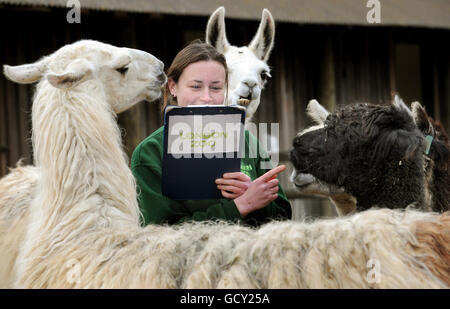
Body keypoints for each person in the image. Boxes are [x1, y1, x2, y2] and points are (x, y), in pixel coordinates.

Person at [131, 40, 292, 226]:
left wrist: (256, 197)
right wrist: (240, 205)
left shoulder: (246, 140)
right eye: (196, 86)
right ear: (172, 87)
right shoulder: (150, 152)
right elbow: (160, 234)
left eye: (216, 88)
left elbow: (283, 216)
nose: (207, 97)